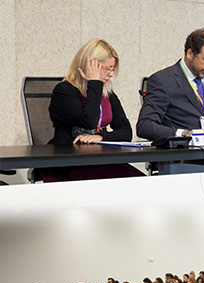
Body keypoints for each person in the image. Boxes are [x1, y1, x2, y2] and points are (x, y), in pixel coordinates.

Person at [47, 39, 141, 181]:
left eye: (112, 68)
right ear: (90, 66)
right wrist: (94, 83)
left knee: (142, 183)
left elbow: (126, 131)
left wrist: (102, 137)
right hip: (70, 162)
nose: (110, 74)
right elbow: (89, 121)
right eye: (107, 68)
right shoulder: (64, 91)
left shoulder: (107, 93)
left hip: (100, 159)